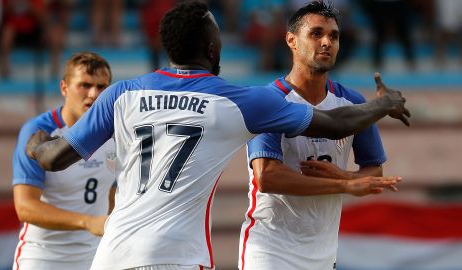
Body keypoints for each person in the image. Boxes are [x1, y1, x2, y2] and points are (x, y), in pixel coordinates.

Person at [25, 1, 410, 270]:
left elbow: (53, 158)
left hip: (111, 254)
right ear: (213, 48)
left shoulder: (121, 94)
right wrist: (384, 104)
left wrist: (36, 143)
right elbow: (335, 124)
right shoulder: (238, 100)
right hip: (179, 255)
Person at [238, 2, 397, 270]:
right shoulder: (267, 100)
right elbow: (268, 177)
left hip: (324, 255)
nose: (327, 42)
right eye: (316, 34)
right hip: (269, 252)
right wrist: (345, 186)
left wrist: (344, 176)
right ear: (291, 40)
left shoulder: (353, 102)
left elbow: (374, 172)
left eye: (333, 36)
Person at [12, 52, 116, 270]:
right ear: (64, 88)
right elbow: (25, 207)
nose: (94, 94)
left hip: (96, 257)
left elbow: (111, 191)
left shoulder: (116, 131)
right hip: (43, 257)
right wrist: (87, 222)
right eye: (85, 85)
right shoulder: (38, 132)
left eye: (102, 86)